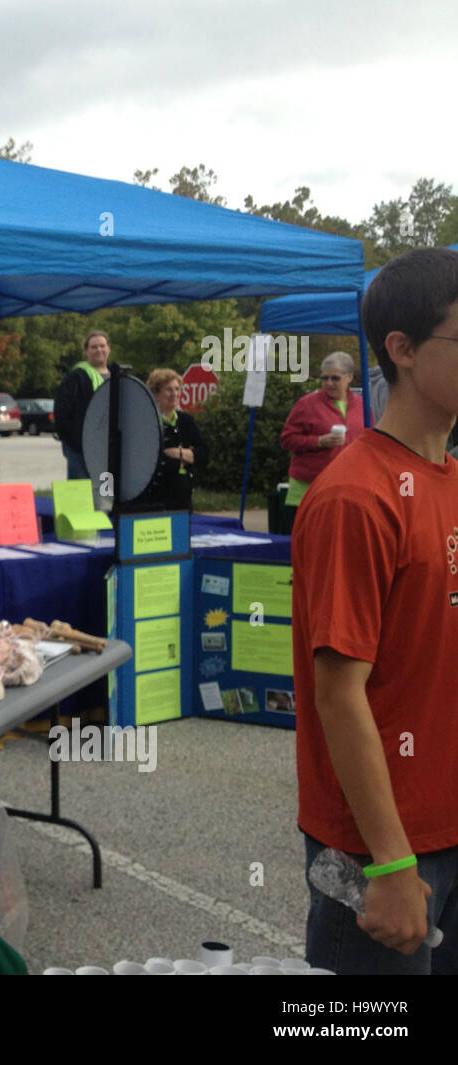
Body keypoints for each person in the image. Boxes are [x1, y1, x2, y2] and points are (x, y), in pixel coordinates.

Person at [291, 246, 458, 974]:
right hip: (379, 849)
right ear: (403, 351)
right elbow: (338, 692)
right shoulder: (356, 496)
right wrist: (389, 865)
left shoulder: (449, 477)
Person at [279, 351, 365, 512]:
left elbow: (368, 440)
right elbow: (287, 439)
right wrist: (319, 441)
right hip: (308, 486)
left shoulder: (362, 405)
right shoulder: (307, 404)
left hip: (346, 484)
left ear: (349, 377)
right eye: (324, 378)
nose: (329, 383)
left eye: (335, 378)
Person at [132, 368, 206, 511]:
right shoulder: (147, 422)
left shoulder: (186, 420)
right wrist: (187, 457)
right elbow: (152, 460)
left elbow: (203, 453)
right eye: (169, 390)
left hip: (183, 496)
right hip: (157, 498)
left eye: (177, 389)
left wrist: (179, 453)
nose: (174, 394)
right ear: (156, 393)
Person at [53, 331, 111, 479]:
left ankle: (106, 503)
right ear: (86, 352)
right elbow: (62, 413)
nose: (99, 350)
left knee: (106, 493)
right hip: (79, 449)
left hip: (107, 450)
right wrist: (75, 442)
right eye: (94, 347)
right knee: (79, 495)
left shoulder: (116, 378)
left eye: (102, 346)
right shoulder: (76, 377)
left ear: (109, 349)